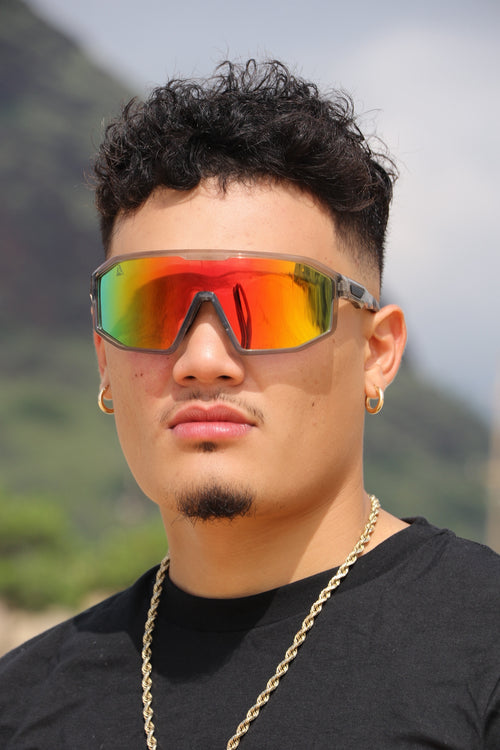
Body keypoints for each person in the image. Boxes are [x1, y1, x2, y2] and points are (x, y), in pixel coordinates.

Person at [0, 59, 498, 749]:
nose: (204, 359)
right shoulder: (23, 705)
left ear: (377, 353)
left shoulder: (481, 652)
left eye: (269, 304)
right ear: (103, 359)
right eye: (151, 305)